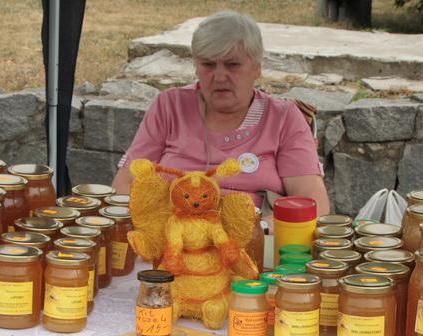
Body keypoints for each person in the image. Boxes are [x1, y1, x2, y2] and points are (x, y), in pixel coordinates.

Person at [111, 10, 330, 217]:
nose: (219, 76)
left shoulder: (282, 118)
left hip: (253, 235)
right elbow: (123, 185)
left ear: (256, 68)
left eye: (232, 65)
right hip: (171, 232)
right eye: (208, 64)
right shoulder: (169, 106)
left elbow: (314, 203)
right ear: (196, 67)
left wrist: (266, 228)